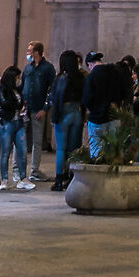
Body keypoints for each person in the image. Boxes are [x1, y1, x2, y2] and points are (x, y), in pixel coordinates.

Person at [82, 50, 133, 156]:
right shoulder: (116, 73)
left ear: (90, 64)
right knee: (114, 151)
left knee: (97, 150)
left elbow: (87, 99)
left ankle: (98, 171)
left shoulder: (91, 77)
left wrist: (95, 108)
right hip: (114, 116)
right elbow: (125, 92)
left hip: (97, 118)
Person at [49, 48, 85, 190]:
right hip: (77, 111)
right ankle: (71, 177)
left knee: (61, 148)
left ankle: (59, 179)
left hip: (64, 112)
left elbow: (57, 97)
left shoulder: (61, 78)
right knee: (73, 148)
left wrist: (55, 117)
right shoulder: (80, 77)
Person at [21, 40, 54, 185]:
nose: (28, 53)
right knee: (20, 140)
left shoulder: (47, 68)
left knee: (37, 141)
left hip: (38, 109)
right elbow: (23, 86)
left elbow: (51, 89)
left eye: (30, 50)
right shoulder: (27, 69)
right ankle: (18, 170)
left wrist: (45, 108)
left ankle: (34, 170)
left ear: (37, 52)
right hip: (25, 109)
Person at [0, 65, 28, 190]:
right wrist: (18, 105)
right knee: (5, 152)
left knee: (22, 151)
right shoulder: (1, 90)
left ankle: (23, 179)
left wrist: (18, 105)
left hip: (18, 122)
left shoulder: (17, 90)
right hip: (6, 124)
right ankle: (4, 180)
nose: (19, 80)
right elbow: (6, 103)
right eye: (17, 77)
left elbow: (20, 104)